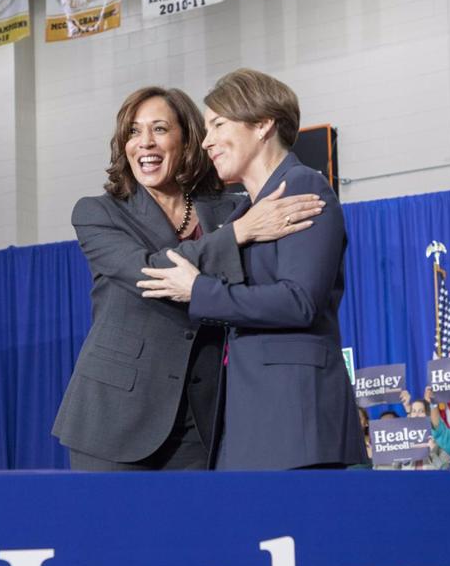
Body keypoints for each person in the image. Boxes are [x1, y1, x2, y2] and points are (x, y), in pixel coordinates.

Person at [52, 86, 325, 471]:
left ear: (187, 138)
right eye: (133, 131)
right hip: (116, 421)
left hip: (204, 418)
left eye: (160, 129)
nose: (145, 142)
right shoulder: (98, 213)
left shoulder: (233, 207)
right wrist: (238, 235)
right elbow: (150, 272)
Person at [138, 69, 367, 470]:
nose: (206, 141)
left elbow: (299, 301)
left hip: (295, 418)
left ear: (262, 125)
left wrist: (200, 291)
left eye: (218, 124)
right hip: (250, 418)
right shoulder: (241, 215)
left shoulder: (302, 188)